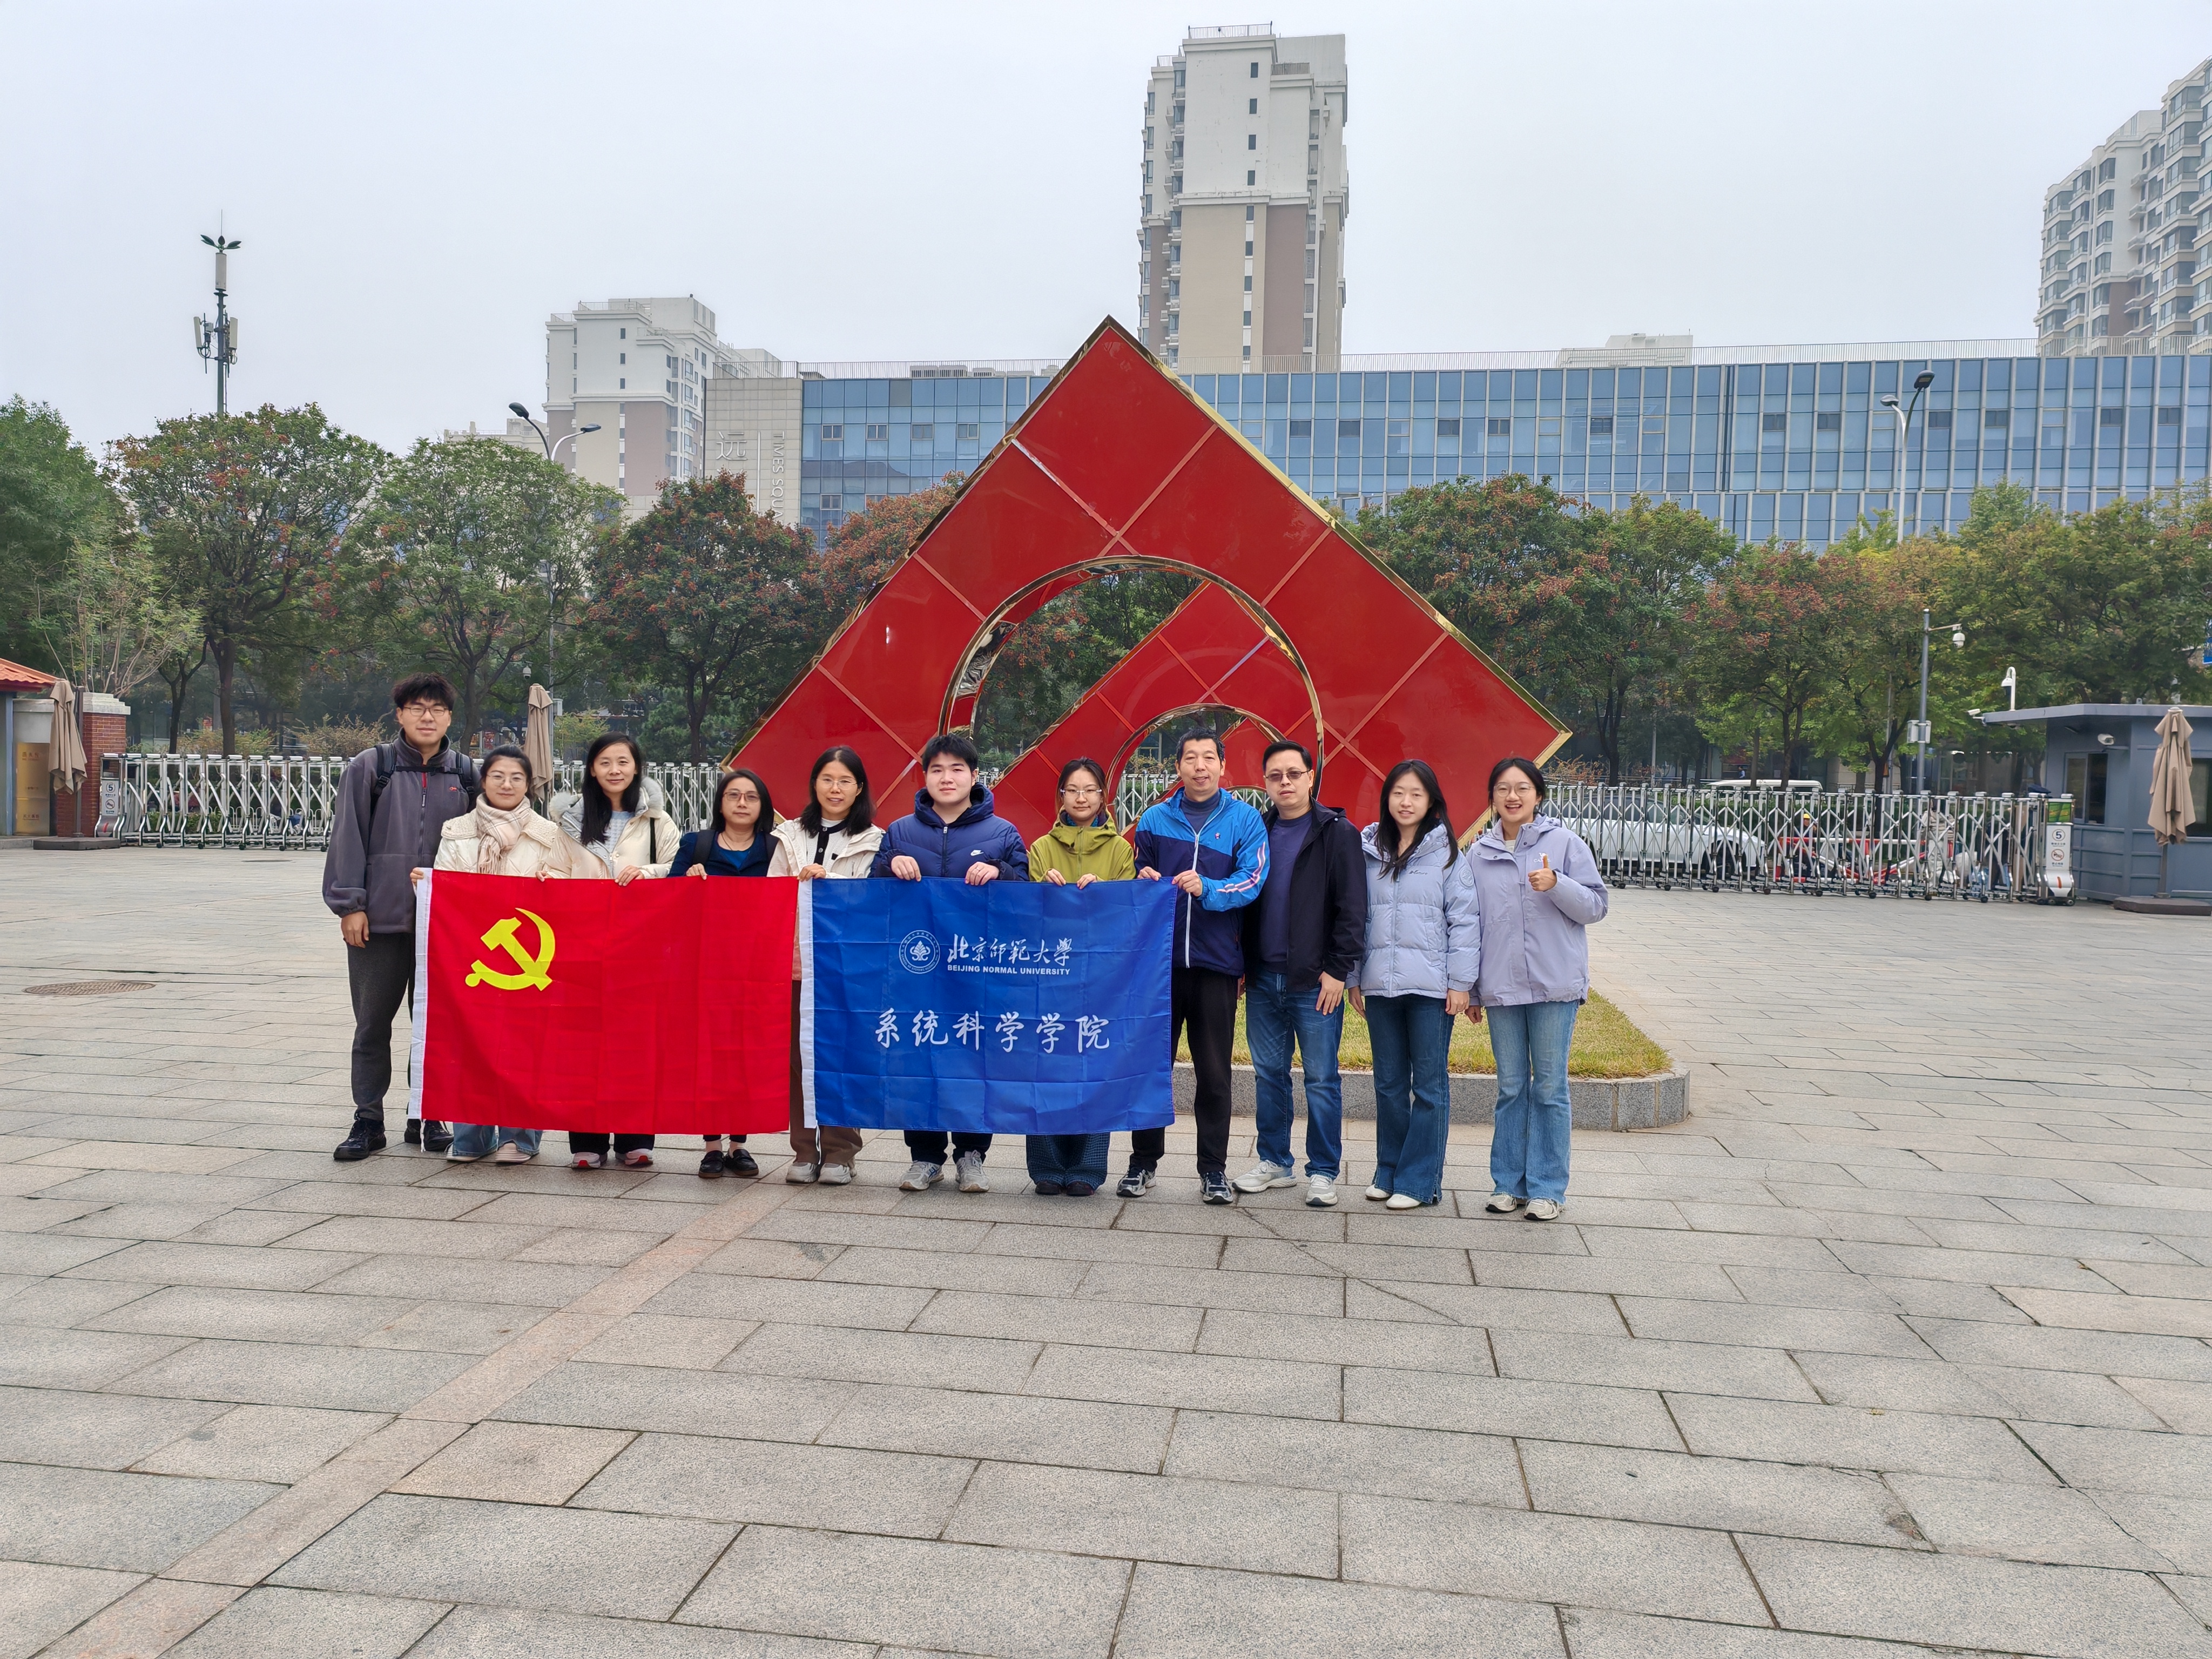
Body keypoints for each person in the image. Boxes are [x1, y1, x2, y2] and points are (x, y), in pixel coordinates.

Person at [322, 673, 481, 1162]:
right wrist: (351, 905)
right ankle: (368, 1121)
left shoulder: (468, 774)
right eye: (417, 708)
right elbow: (348, 836)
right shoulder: (373, 767)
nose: (427, 717)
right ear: (400, 715)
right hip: (379, 922)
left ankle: (428, 1115)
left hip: (446, 928)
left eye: (437, 709)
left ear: (450, 718)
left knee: (434, 1027)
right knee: (372, 1025)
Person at [422, 744, 605, 1166]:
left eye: (516, 778)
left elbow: (563, 884)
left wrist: (549, 883)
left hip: (531, 954)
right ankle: (471, 1134)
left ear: (529, 785)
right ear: (483, 781)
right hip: (473, 953)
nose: (507, 784)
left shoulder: (549, 834)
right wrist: (430, 886)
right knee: (470, 1041)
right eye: (498, 776)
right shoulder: (456, 831)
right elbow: (449, 887)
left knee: (527, 1045)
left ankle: (520, 1137)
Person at [874, 732, 1030, 1194]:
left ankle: (971, 1155)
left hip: (976, 970)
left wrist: (1001, 872)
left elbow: (1027, 893)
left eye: (957, 769)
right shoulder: (900, 832)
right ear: (925, 776)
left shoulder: (1002, 833)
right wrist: (890, 866)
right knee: (917, 1055)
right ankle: (924, 1157)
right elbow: (871, 892)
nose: (947, 778)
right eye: (937, 769)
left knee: (973, 1058)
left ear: (975, 776)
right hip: (916, 969)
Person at [1128, 729, 1269, 1204]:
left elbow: (1252, 880)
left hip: (1217, 964)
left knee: (1214, 1074)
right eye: (1191, 758)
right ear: (1178, 767)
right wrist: (1145, 877)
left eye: (1209, 758)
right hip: (1159, 968)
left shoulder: (1245, 820)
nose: (1200, 766)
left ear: (1223, 766)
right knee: (1152, 1068)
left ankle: (1213, 1170)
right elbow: (1137, 875)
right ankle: (1142, 1163)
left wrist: (1208, 888)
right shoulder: (1154, 818)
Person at [1466, 756, 1607, 1222]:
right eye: (1503, 789)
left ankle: (1548, 1188)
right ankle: (1507, 1184)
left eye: (1522, 788)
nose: (1513, 797)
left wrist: (1557, 884)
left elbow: (1596, 906)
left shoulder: (1564, 844)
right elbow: (1470, 925)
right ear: (1492, 798)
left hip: (1554, 988)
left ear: (1539, 795)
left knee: (1549, 1087)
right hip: (1502, 989)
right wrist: (1471, 990)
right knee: (1510, 1087)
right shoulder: (1478, 855)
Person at [1233, 740, 1366, 1208]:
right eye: (1275, 776)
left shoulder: (1338, 833)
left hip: (1315, 982)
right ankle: (1274, 1161)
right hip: (1262, 978)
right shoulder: (1257, 830)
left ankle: (1324, 1170)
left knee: (1321, 1079)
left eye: (1294, 773)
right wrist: (1241, 964)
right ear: (1265, 783)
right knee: (1269, 1074)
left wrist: (1337, 970)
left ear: (1311, 777)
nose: (1285, 782)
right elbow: (1243, 898)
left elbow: (1353, 909)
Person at [1347, 760, 1478, 1211]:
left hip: (1431, 990)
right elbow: (1356, 918)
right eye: (1398, 793)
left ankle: (1420, 1181)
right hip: (1380, 986)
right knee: (1387, 1084)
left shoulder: (1448, 856)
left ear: (1431, 802)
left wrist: (1460, 983)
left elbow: (1465, 922)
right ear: (1387, 798)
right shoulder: (1368, 851)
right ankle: (1388, 1171)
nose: (1406, 802)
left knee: (1428, 1087)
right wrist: (1354, 977)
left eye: (1416, 794)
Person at [552, 733, 681, 1169]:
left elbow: (677, 868)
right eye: (605, 762)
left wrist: (645, 873)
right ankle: (586, 1141)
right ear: (592, 769)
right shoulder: (569, 821)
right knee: (582, 1044)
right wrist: (550, 881)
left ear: (636, 767)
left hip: (640, 948)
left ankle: (635, 1138)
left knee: (636, 1043)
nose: (614, 770)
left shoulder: (657, 821)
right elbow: (555, 869)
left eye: (623, 762)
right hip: (582, 946)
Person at [767, 746, 884, 1185]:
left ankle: (841, 1152)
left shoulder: (875, 839)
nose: (835, 789)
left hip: (845, 968)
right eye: (827, 779)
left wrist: (828, 881)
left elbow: (872, 900)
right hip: (797, 964)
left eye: (845, 781)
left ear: (859, 788)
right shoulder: (788, 835)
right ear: (815, 784)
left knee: (841, 1056)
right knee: (798, 1060)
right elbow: (772, 892)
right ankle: (803, 1150)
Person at [1024, 757, 1135, 1197]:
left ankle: (1087, 1169)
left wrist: (1105, 895)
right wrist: (1042, 891)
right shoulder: (1040, 849)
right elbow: (1026, 914)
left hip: (1101, 980)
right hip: (1050, 975)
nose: (1082, 797)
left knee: (1095, 1066)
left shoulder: (1120, 850)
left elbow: (1130, 912)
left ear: (1103, 796)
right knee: (1046, 1065)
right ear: (1061, 797)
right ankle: (1047, 1167)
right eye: (1073, 790)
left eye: (1090, 790)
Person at [672, 768, 776, 1179]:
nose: (742, 803)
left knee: (747, 1054)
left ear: (763, 806)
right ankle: (712, 1146)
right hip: (706, 967)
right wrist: (687, 880)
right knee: (709, 1054)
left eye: (751, 797)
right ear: (720, 803)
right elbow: (669, 899)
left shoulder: (775, 848)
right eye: (733, 795)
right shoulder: (696, 845)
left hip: (758, 968)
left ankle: (739, 1145)